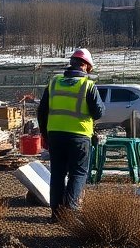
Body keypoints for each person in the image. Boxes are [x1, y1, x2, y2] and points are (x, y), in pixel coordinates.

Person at [37, 47, 104, 220]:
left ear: (71, 64)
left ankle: (56, 214)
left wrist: (45, 133)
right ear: (86, 66)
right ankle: (71, 212)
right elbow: (98, 113)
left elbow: (42, 111)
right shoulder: (88, 85)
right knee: (78, 173)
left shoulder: (54, 83)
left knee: (58, 174)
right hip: (79, 136)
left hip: (55, 136)